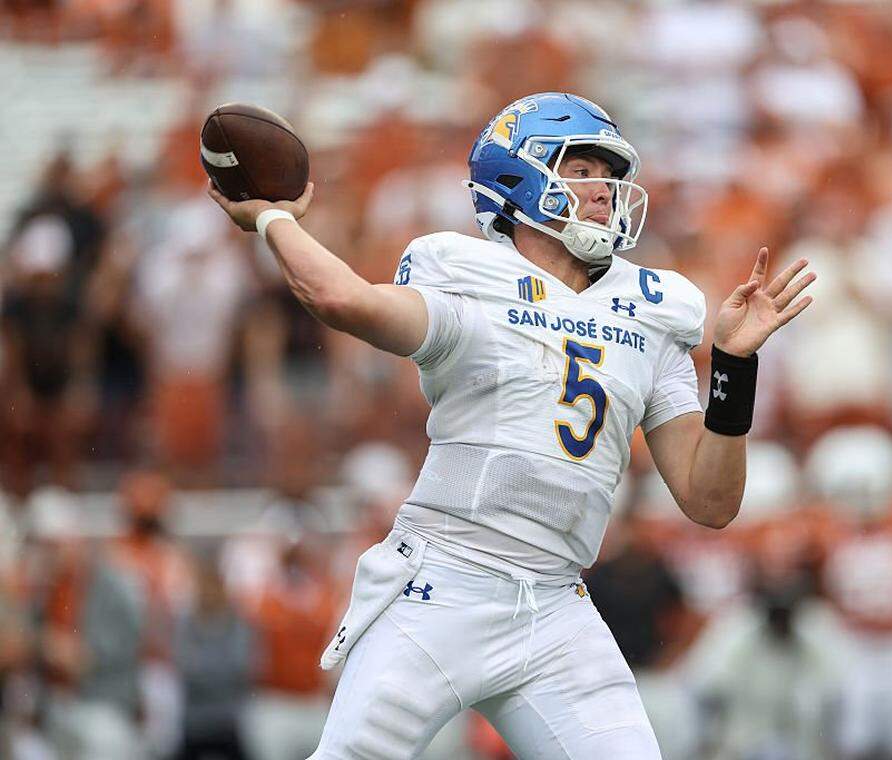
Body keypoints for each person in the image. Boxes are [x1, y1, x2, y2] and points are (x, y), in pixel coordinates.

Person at [208, 91, 815, 759]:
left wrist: (734, 367)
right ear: (518, 176)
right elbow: (340, 297)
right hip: (445, 581)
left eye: (608, 174)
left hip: (557, 603)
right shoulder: (473, 280)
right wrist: (273, 218)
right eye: (580, 169)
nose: (603, 189)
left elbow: (710, 501)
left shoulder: (650, 312)